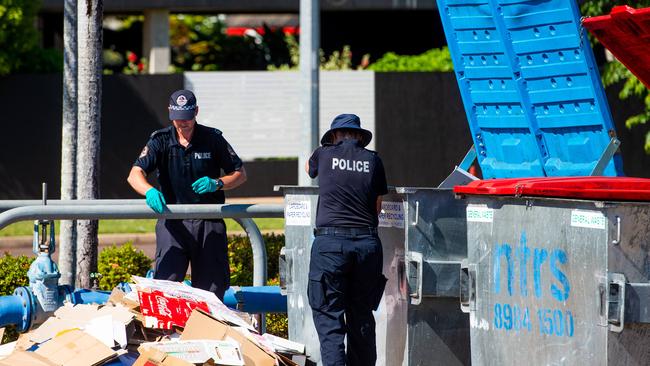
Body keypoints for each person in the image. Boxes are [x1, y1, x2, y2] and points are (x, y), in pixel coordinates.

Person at [127, 89, 246, 300]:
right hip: (172, 220)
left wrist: (217, 183)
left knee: (211, 290)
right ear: (170, 114)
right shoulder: (160, 140)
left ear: (196, 112)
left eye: (187, 118)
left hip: (208, 221)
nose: (183, 124)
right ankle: (168, 332)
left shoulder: (213, 139)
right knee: (166, 286)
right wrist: (149, 191)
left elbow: (239, 174)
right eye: (178, 119)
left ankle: (206, 330)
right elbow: (135, 174)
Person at [306, 114, 388, 366]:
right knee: (361, 316)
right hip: (367, 245)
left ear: (334, 136)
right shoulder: (373, 160)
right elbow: (378, 205)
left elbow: (309, 170)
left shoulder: (323, 153)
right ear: (360, 137)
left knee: (329, 319)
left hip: (330, 245)